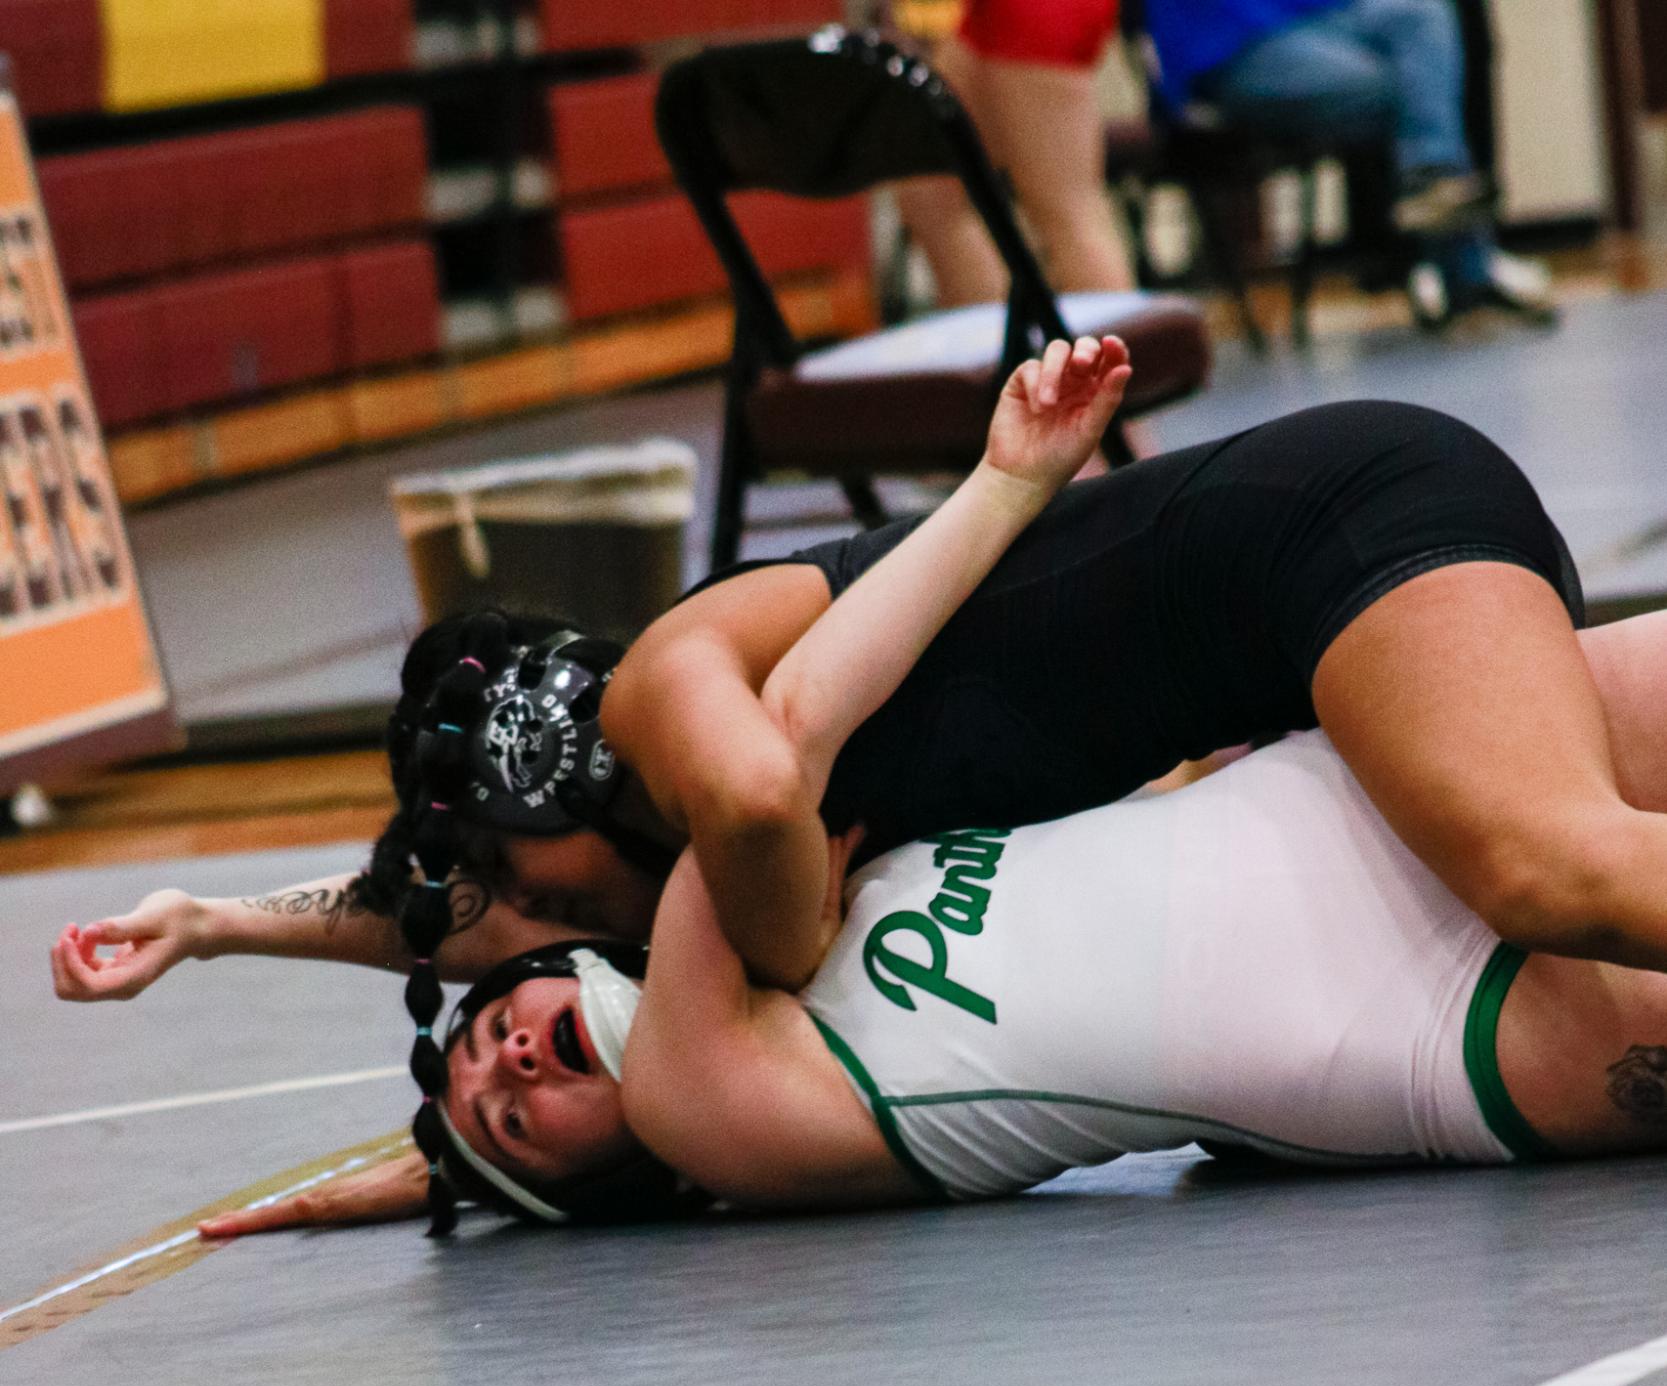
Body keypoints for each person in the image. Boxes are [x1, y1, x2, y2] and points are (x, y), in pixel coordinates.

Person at [55, 353, 1667, 1049]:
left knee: (1548, 872)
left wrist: (776, 916)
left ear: (569, 825)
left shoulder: (665, 700)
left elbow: (759, 817)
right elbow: (443, 908)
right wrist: (212, 923)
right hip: (1305, 586)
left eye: (530, 902)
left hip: (1328, 535)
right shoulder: (613, 799)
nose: (527, 941)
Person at [191, 709, 1667, 1239]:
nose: (507, 1063)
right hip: (1427, 1026)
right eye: (512, 1117)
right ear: (614, 1185)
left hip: (1337, 784)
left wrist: (212, 921)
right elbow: (733, 761)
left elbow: (486, 913)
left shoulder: (755, 948)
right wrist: (434, 1165)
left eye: (490, 1040)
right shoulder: (725, 1102)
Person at [1141, 0, 1556, 329]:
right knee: (1412, 89)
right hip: (1232, 42)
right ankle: (1465, 267)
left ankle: (1431, 181)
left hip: (1316, 14)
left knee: (1422, 14)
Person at [887, 0, 1139, 307]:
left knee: (1067, 213)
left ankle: (1118, 351)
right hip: (987, 16)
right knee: (929, 187)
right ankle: (997, 345)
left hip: (1036, 12)